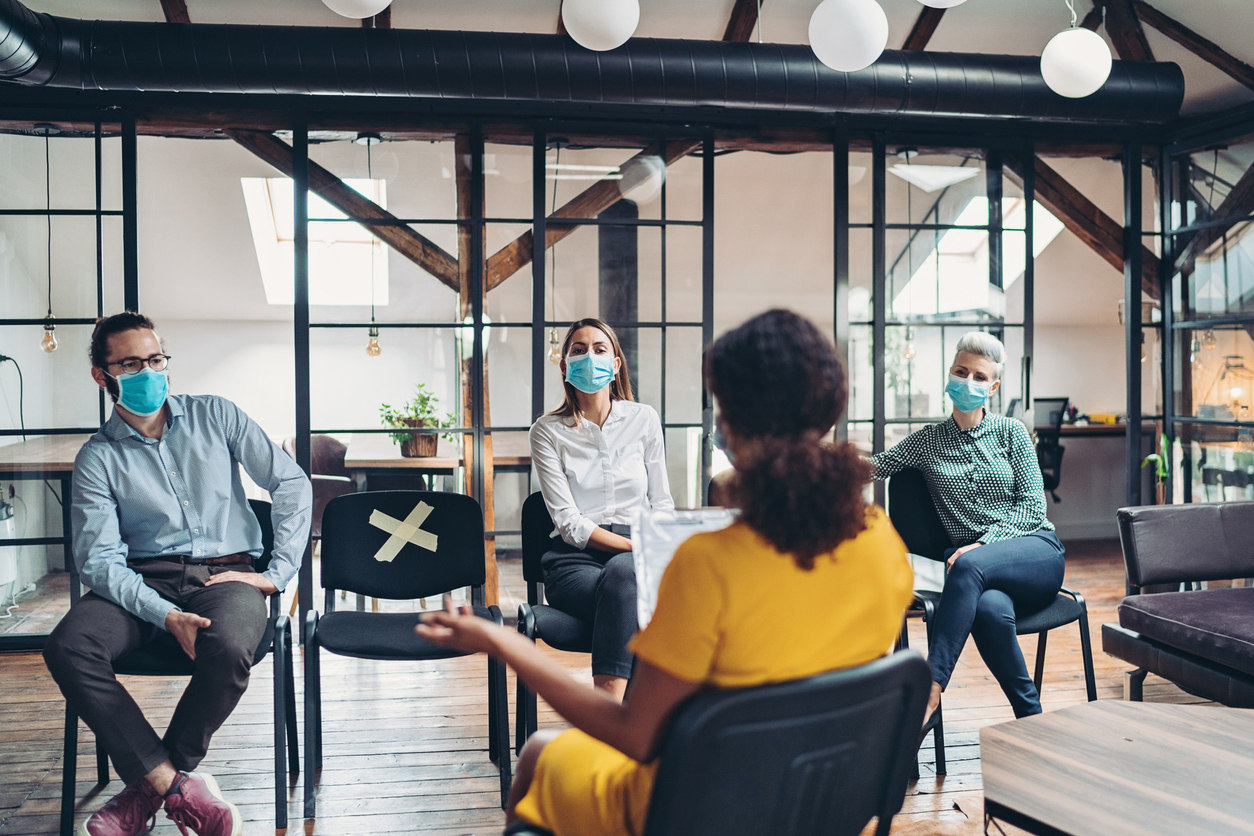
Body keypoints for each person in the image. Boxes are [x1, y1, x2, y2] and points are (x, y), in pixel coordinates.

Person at [419, 309, 913, 836]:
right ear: (828, 410)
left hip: (703, 807)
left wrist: (503, 642)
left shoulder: (708, 566)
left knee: (540, 751)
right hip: (825, 801)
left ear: (731, 425)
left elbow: (636, 736)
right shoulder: (882, 541)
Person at [43, 312, 312, 836]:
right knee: (68, 646)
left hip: (227, 575)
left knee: (230, 646)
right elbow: (99, 561)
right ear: (102, 375)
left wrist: (277, 573)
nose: (149, 372)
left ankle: (148, 789)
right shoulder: (97, 458)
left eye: (156, 359)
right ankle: (177, 787)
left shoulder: (218, 416)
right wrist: (166, 615)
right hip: (140, 583)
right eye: (131, 363)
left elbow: (292, 484)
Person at [870, 331, 1064, 724]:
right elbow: (874, 466)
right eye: (962, 371)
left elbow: (1033, 507)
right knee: (991, 611)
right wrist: (814, 462)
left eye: (979, 377)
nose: (968, 381)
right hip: (979, 578)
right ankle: (1033, 718)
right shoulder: (927, 441)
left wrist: (983, 544)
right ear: (949, 375)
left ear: (992, 387)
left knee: (966, 564)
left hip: (1035, 553)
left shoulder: (1012, 432)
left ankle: (930, 689)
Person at [528, 318, 673, 700]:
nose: (588, 356)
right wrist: (636, 549)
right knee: (630, 585)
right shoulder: (547, 431)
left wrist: (655, 548)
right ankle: (624, 714)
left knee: (625, 581)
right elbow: (569, 523)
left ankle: (612, 717)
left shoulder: (644, 419)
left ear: (616, 364)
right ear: (564, 366)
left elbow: (662, 502)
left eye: (599, 348)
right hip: (574, 561)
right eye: (578, 350)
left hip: (636, 554)